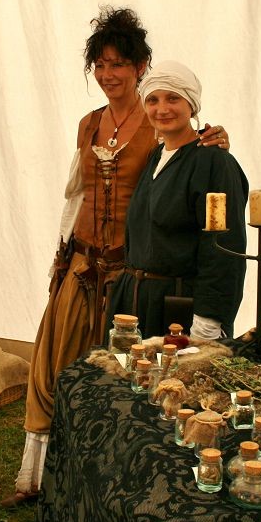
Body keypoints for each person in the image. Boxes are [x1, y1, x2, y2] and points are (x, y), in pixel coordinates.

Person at [3, 8, 230, 507]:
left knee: (113, 382)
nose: (108, 75)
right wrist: (61, 254)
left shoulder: (159, 123)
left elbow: (191, 172)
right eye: (100, 66)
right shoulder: (88, 124)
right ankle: (33, 478)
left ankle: (88, 483)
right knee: (53, 367)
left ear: (140, 66)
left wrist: (215, 142)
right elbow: (76, 194)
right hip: (82, 265)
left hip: (130, 275)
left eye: (119, 64)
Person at [105, 60, 249, 340]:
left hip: (179, 308)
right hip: (136, 303)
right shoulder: (155, 157)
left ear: (191, 105)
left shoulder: (214, 162)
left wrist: (209, 320)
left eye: (173, 98)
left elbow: (224, 249)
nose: (162, 109)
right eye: (153, 100)